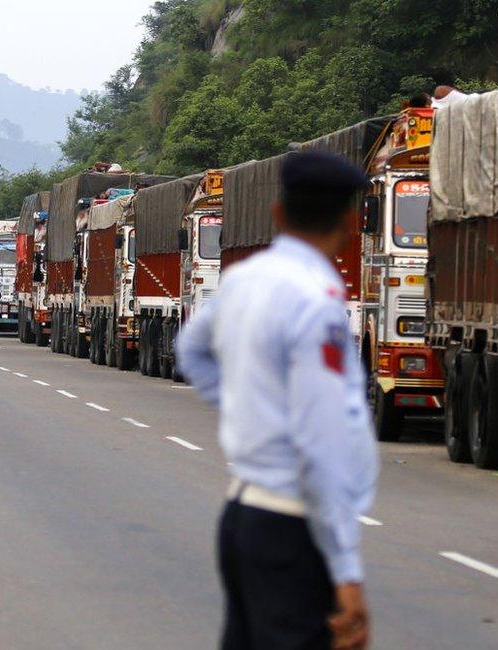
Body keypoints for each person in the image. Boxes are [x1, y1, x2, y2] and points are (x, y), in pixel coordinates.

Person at [177, 150, 379, 650]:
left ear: (278, 214)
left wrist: (249, 408)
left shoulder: (246, 279)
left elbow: (192, 349)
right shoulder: (317, 301)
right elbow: (323, 440)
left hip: (243, 516)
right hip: (292, 529)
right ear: (353, 224)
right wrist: (347, 569)